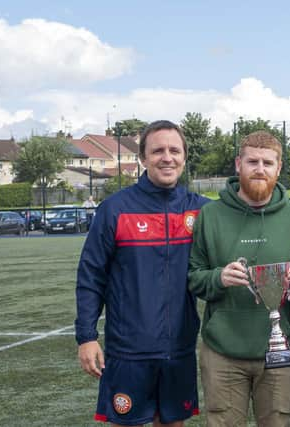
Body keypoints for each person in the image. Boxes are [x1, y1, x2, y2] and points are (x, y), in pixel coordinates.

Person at [75, 120, 207, 426]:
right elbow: (91, 277)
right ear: (143, 158)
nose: (167, 157)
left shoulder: (201, 210)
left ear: (184, 157)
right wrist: (86, 337)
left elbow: (246, 208)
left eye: (175, 150)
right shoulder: (115, 209)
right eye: (158, 150)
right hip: (128, 350)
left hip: (180, 347)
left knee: (173, 423)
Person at [188, 130, 290, 427]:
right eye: (252, 161)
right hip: (222, 352)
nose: (260, 169)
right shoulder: (210, 215)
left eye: (268, 163)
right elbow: (193, 278)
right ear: (238, 164)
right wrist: (219, 278)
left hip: (280, 350)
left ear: (279, 168)